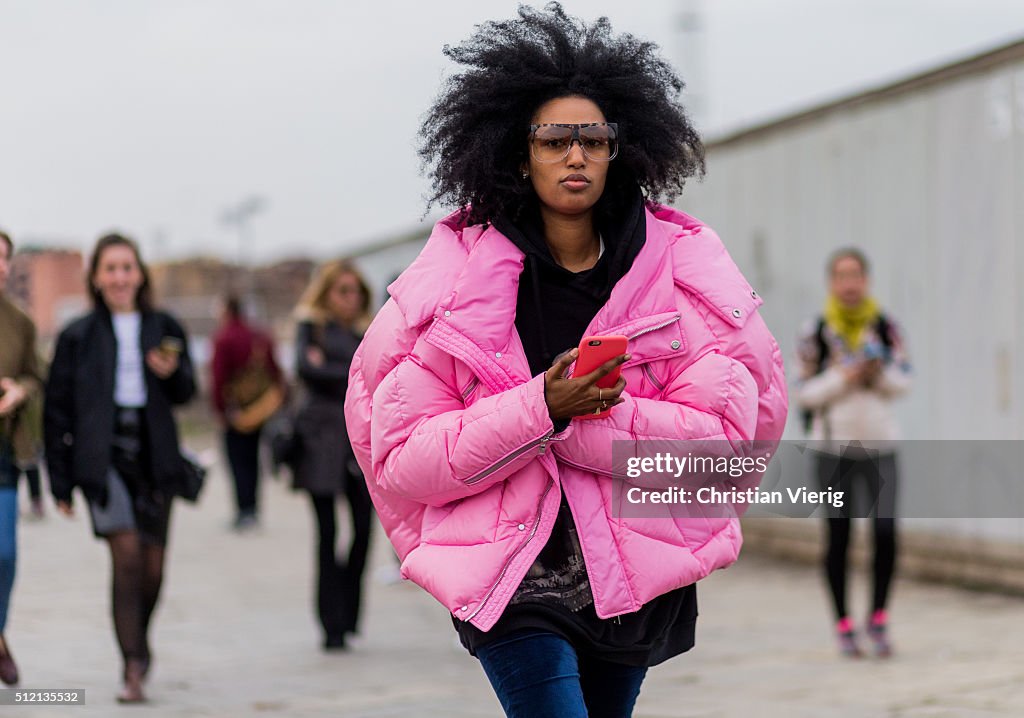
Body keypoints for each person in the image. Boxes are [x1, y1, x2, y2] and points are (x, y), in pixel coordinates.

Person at [343, 6, 788, 717]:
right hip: (509, 576)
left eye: (593, 139)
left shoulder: (684, 278)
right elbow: (402, 456)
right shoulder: (450, 288)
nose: (575, 155)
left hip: (635, 577)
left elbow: (724, 451)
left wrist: (580, 419)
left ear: (621, 150)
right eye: (555, 140)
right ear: (520, 152)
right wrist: (543, 407)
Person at [44, 233, 196, 702]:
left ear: (140, 274)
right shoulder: (78, 335)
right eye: (110, 268)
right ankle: (132, 665)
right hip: (101, 457)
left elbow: (188, 392)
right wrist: (61, 482)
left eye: (127, 267)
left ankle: (139, 640)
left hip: (155, 455)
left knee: (152, 570)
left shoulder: (165, 325)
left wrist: (172, 375)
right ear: (96, 277)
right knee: (126, 557)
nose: (119, 277)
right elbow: (57, 410)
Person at [796, 248, 911, 659]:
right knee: (839, 538)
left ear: (866, 280)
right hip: (834, 452)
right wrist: (844, 376)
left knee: (885, 535)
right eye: (841, 275)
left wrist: (876, 374)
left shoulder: (884, 327)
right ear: (831, 282)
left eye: (856, 275)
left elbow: (904, 384)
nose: (849, 283)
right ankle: (843, 622)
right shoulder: (816, 331)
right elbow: (805, 394)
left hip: (881, 449)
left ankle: (878, 618)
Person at [291, 260, 374, 650]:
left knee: (362, 530)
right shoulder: (311, 325)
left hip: (361, 440)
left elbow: (380, 374)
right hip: (320, 441)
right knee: (326, 534)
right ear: (327, 292)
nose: (350, 298)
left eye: (355, 290)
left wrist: (335, 368)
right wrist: (352, 371)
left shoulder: (370, 329)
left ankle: (349, 613)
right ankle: (330, 624)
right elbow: (306, 371)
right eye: (342, 290)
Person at [0, 229, 44, 686]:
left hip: (3, 453)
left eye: (4, 257)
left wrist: (20, 390)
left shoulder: (21, 323)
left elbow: (37, 375)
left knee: (5, 554)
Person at [210, 295, 283, 531]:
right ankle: (254, 508)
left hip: (235, 411)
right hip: (259, 409)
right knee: (253, 459)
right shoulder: (260, 336)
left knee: (237, 461)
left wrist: (220, 410)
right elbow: (275, 371)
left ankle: (243, 510)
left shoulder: (223, 338)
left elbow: (218, 378)